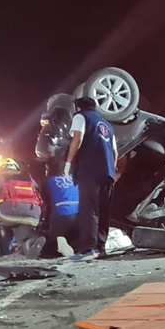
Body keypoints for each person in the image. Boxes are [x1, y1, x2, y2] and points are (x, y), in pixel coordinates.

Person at [64, 97, 117, 261]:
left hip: (89, 171)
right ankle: (101, 248)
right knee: (103, 211)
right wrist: (111, 170)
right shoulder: (107, 125)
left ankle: (88, 249)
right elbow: (115, 152)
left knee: (89, 210)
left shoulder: (81, 116)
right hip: (107, 173)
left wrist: (68, 163)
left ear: (78, 107)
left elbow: (77, 139)